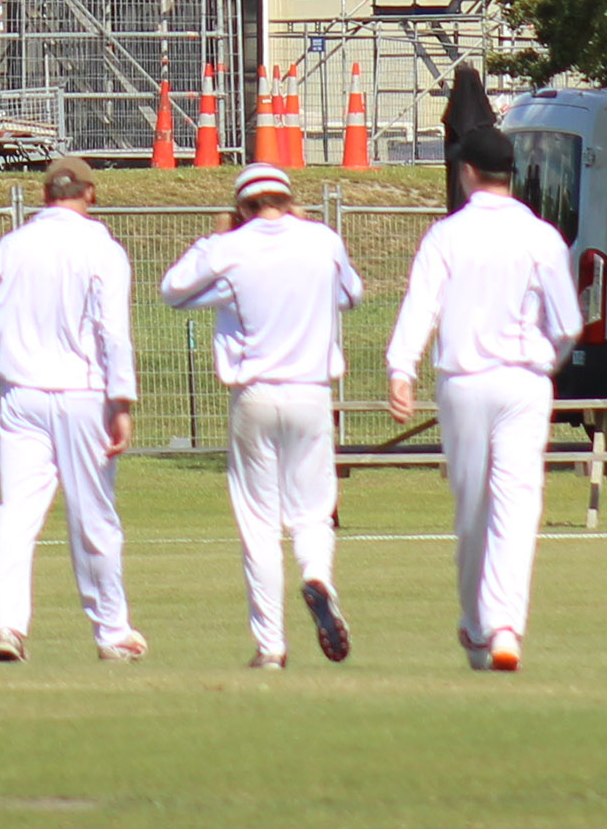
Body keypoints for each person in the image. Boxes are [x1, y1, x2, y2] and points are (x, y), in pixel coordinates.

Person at [382, 121, 582, 671]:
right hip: (524, 383)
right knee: (517, 505)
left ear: (467, 172)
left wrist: (403, 368)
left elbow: (421, 305)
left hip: (465, 384)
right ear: (509, 175)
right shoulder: (542, 236)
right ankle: (503, 626)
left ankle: (479, 625)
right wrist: (544, 365)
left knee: (473, 508)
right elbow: (567, 325)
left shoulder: (448, 235)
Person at [160, 161, 363, 669]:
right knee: (313, 510)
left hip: (254, 393)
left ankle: (271, 645)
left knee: (259, 523)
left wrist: (218, 246)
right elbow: (351, 295)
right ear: (289, 199)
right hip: (312, 392)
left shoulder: (229, 248)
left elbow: (173, 290)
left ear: (243, 207)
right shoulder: (322, 241)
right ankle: (317, 573)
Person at [0, 156, 146, 663]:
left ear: (46, 193)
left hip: (21, 393)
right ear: (90, 193)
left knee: (17, 514)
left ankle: (7, 624)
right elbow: (111, 330)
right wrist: (121, 398)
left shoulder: (11, 247)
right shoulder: (101, 248)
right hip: (81, 393)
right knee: (93, 514)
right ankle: (111, 629)